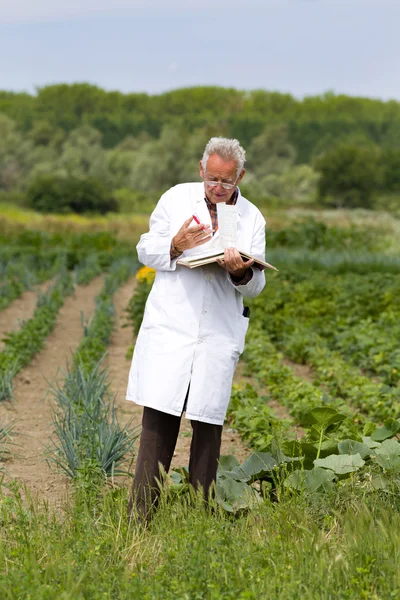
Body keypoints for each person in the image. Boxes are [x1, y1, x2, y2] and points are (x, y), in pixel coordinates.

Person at [126, 137, 266, 521]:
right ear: (201, 169)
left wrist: (240, 271)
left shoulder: (253, 217)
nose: (218, 188)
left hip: (217, 332)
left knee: (208, 425)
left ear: (241, 176)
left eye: (227, 182)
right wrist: (174, 245)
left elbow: (257, 283)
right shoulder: (175, 199)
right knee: (159, 422)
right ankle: (141, 518)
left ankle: (198, 520)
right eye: (212, 180)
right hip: (174, 327)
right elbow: (145, 248)